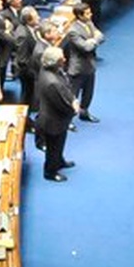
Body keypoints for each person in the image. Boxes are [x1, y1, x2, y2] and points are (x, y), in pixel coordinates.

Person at [36, 46, 78, 182]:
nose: (65, 59)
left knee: (60, 144)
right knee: (53, 148)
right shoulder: (52, 82)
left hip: (57, 119)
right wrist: (75, 108)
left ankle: (59, 161)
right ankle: (50, 172)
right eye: (62, 58)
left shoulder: (49, 69)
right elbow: (62, 105)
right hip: (52, 120)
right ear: (55, 62)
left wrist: (71, 98)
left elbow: (65, 85)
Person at [64, 3, 103, 123]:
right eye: (87, 13)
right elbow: (85, 47)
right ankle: (67, 119)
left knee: (88, 93)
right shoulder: (73, 31)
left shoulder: (89, 23)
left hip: (90, 65)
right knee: (72, 95)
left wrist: (93, 40)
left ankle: (84, 112)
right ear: (80, 16)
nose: (91, 14)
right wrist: (94, 40)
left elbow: (101, 36)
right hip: (78, 68)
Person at [12, 6, 42, 114]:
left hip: (31, 68)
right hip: (26, 71)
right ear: (29, 20)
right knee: (26, 96)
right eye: (36, 17)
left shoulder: (30, 28)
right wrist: (35, 72)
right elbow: (22, 59)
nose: (39, 18)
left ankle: (26, 117)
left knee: (29, 94)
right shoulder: (23, 35)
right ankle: (22, 119)